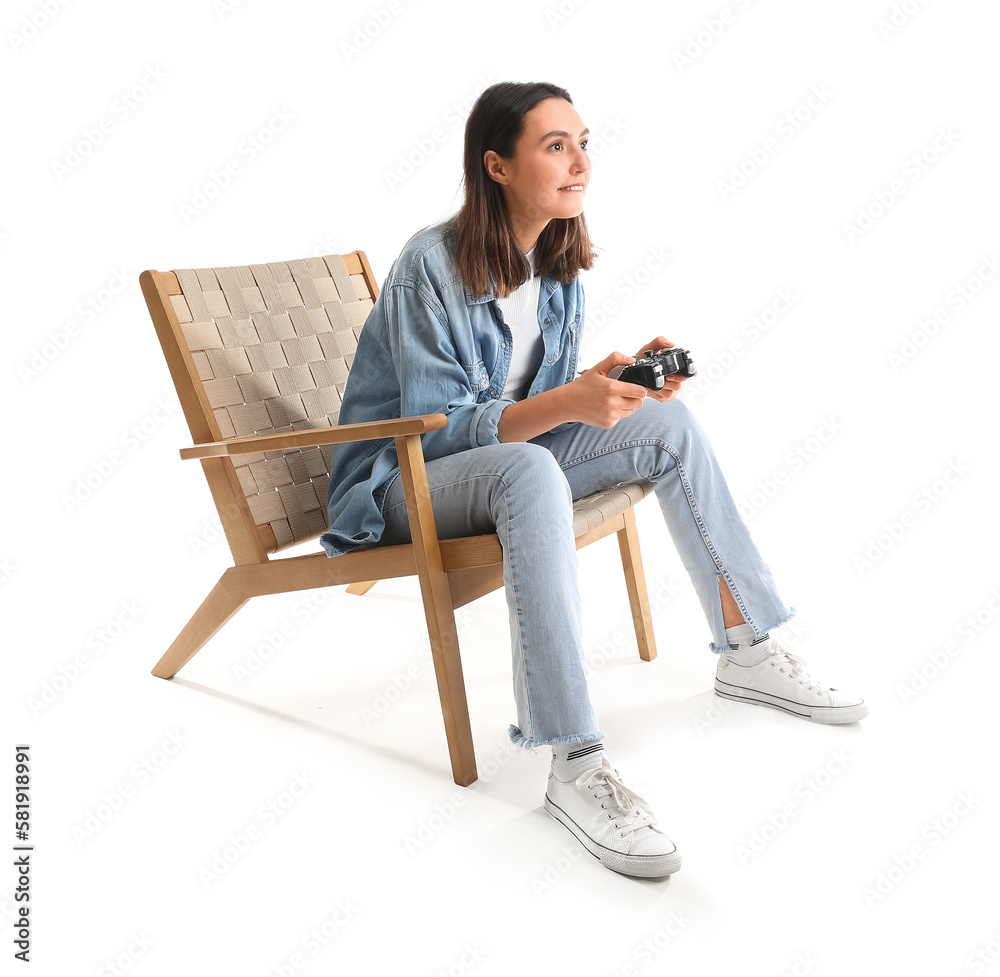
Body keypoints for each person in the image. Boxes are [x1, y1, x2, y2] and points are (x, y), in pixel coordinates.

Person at [319, 81, 867, 879]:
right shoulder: (428, 266)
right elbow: (435, 433)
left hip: (505, 464)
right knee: (529, 468)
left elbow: (522, 395)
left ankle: (747, 646)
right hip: (400, 483)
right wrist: (567, 401)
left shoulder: (555, 257)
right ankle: (575, 761)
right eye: (555, 145)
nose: (580, 161)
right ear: (497, 166)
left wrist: (602, 380)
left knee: (667, 425)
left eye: (583, 141)